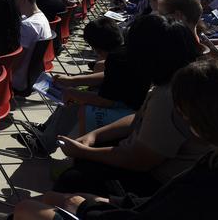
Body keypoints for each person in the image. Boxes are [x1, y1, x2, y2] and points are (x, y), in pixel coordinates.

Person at [17, 57, 218, 220]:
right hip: (145, 200)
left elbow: (149, 179)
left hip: (141, 197)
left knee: (29, 208)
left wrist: (86, 207)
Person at [53, 14, 206, 197]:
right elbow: (139, 117)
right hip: (154, 163)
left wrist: (85, 152)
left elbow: (140, 160)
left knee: (72, 179)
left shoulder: (169, 97)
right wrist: (95, 135)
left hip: (160, 184)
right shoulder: (180, 80)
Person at [20, 17, 150, 154]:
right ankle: (47, 129)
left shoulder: (117, 59)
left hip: (128, 110)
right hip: (131, 103)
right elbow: (109, 77)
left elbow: (106, 101)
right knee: (75, 92)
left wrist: (73, 93)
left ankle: (44, 145)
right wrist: (73, 81)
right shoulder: (126, 53)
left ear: (96, 47)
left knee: (75, 102)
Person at [8, 0, 54, 94]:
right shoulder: (42, 18)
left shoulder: (28, 25)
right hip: (35, 76)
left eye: (14, 0)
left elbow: (18, 60)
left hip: (19, 81)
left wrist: (2, 74)